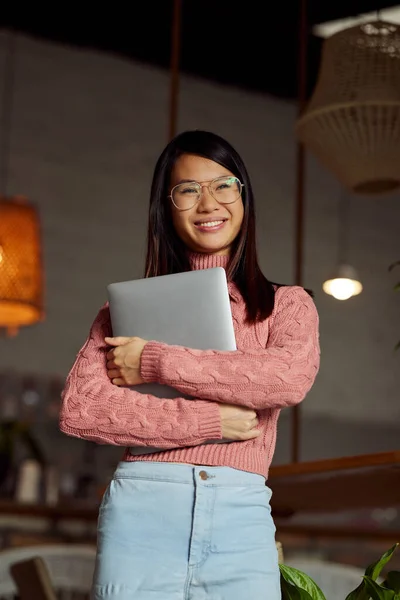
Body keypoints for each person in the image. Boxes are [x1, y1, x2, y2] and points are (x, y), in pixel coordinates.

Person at [60, 130, 320, 600]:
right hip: (142, 510)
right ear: (166, 205)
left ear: (244, 196)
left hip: (241, 515)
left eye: (223, 185)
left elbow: (286, 378)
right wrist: (210, 421)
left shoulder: (288, 305)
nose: (209, 203)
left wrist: (156, 361)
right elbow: (82, 409)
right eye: (188, 189)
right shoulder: (121, 310)